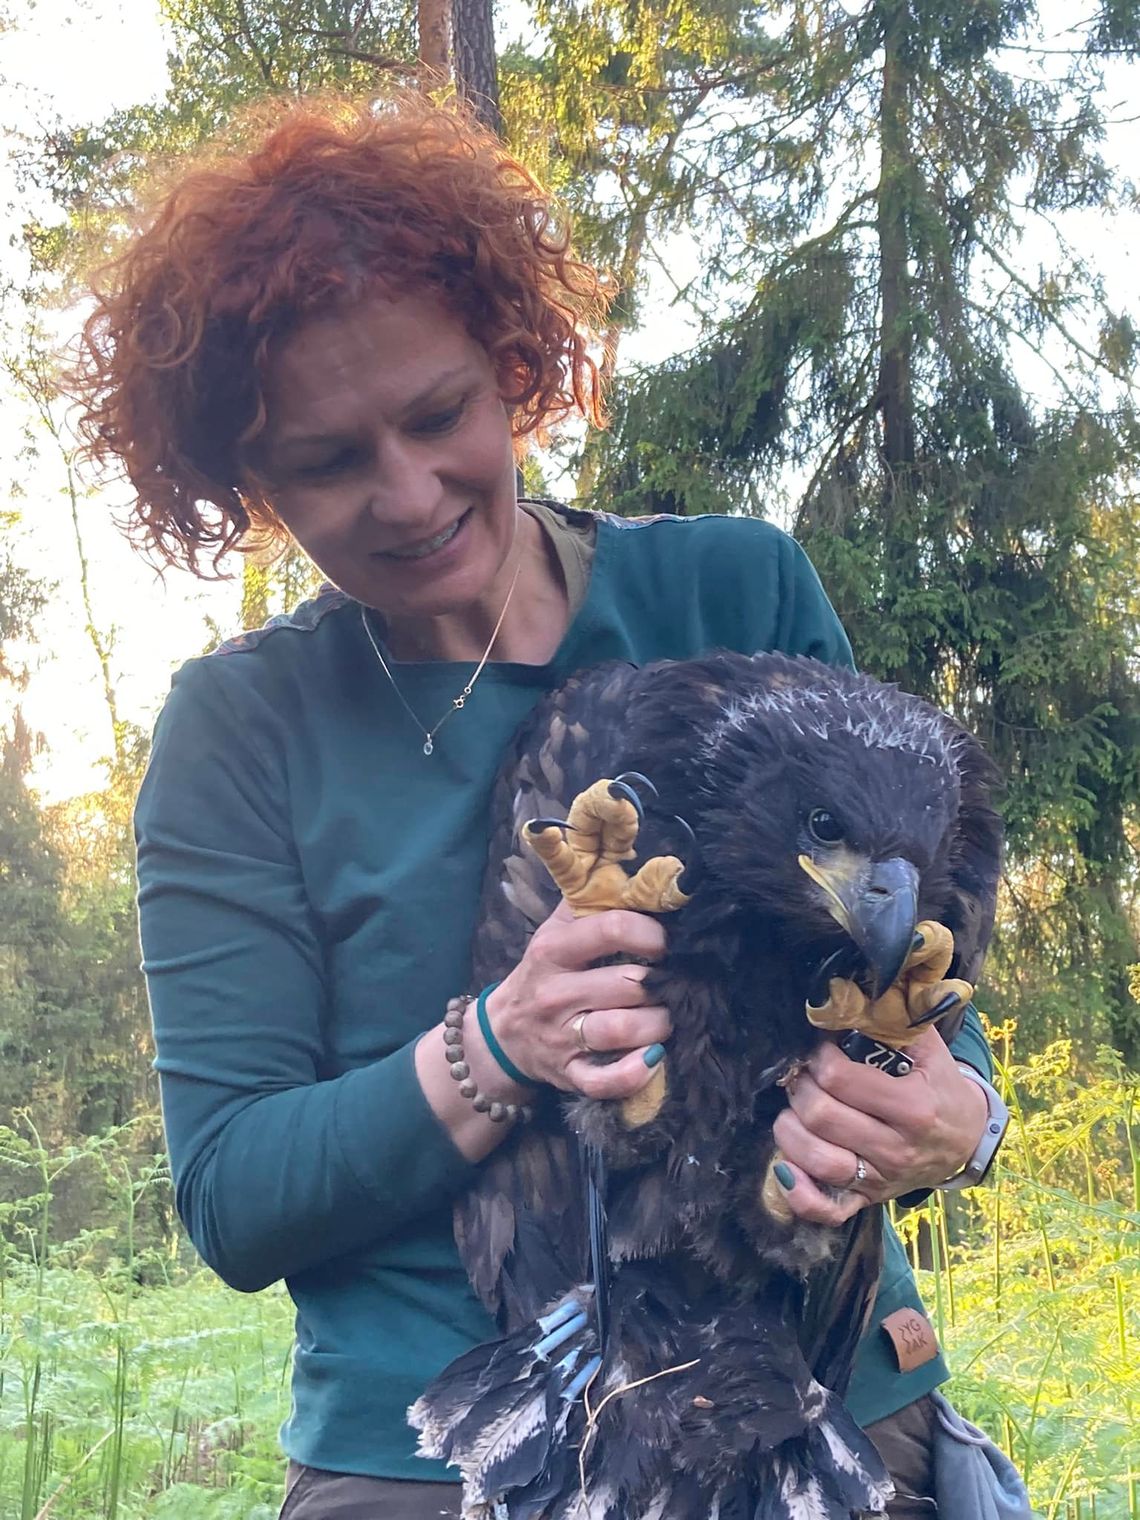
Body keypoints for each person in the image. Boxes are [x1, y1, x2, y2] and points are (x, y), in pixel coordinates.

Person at [73, 94, 1009, 1519]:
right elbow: (235, 1195)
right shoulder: (240, 730)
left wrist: (959, 1119)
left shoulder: (732, 592)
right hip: (441, 1458)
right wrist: (501, 1041)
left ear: (512, 363)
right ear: (249, 483)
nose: (407, 492)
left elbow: (926, 997)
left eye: (439, 414)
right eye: (328, 461)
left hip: (825, 1412)